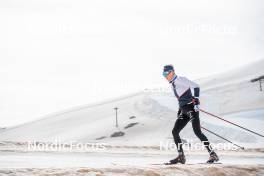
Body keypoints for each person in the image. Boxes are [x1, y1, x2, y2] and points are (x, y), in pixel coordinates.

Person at [162, 64, 219, 164]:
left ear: (172, 72)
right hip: (184, 111)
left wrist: (196, 99)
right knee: (175, 131)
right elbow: (181, 98)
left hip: (192, 108)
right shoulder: (172, 85)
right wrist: (180, 109)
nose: (165, 76)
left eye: (166, 73)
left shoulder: (181, 79)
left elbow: (196, 86)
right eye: (163, 74)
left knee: (197, 132)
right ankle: (181, 156)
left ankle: (213, 154)